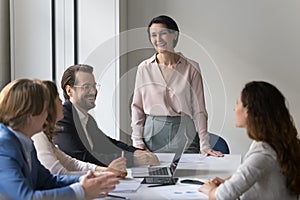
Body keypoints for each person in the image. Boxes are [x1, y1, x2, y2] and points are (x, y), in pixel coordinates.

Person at [0, 79, 119, 200]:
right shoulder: (4, 146)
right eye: (46, 109)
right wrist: (81, 191)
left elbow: (47, 180)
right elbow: (26, 197)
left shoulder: (24, 141)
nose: (48, 115)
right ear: (31, 115)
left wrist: (89, 179)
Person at [131, 15, 222, 156]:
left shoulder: (191, 67)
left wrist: (204, 144)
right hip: (152, 134)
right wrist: (137, 142)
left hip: (184, 132)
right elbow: (137, 107)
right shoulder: (144, 68)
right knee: (155, 177)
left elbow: (199, 110)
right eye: (153, 35)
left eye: (163, 33)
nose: (158, 39)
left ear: (175, 35)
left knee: (187, 175)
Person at [199, 81, 300, 200]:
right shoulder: (277, 143)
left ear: (248, 112)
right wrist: (227, 182)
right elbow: (254, 174)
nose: (234, 109)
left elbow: (222, 196)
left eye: (237, 104)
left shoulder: (263, 152)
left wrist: (210, 190)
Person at [53, 64, 159, 168]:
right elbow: (82, 157)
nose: (93, 91)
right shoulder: (63, 119)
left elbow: (107, 144)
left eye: (94, 86)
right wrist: (133, 159)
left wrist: (136, 152)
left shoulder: (87, 119)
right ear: (69, 90)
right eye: (86, 87)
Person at [32, 80, 127, 177]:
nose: (62, 101)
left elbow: (73, 164)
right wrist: (105, 173)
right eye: (58, 98)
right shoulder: (38, 136)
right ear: (49, 106)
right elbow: (60, 174)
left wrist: (107, 170)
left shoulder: (88, 120)